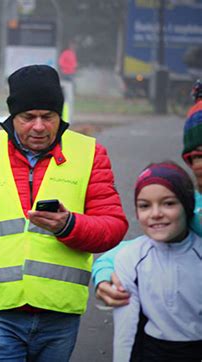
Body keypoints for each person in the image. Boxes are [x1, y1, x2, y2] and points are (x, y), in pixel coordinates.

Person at [0, 64, 128, 361]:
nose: (39, 126)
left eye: (48, 117)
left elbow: (113, 226)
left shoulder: (89, 153)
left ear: (59, 115)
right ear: (13, 116)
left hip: (59, 313)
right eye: (28, 117)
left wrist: (69, 225)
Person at [92, 89, 202, 308]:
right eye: (198, 156)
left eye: (168, 203)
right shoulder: (193, 210)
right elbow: (139, 247)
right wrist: (104, 273)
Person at [112, 162, 202, 361]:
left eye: (168, 203)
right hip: (150, 352)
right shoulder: (130, 258)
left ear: (187, 206)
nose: (155, 214)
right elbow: (125, 330)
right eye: (144, 206)